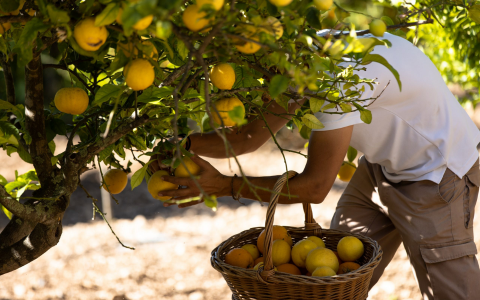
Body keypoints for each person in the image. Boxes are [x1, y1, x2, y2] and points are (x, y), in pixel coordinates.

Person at [148, 33, 480, 299]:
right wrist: (180, 145)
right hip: (382, 166)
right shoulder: (302, 58)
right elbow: (247, 137)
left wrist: (224, 186)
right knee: (331, 279)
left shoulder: (339, 81)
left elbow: (315, 186)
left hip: (437, 176)